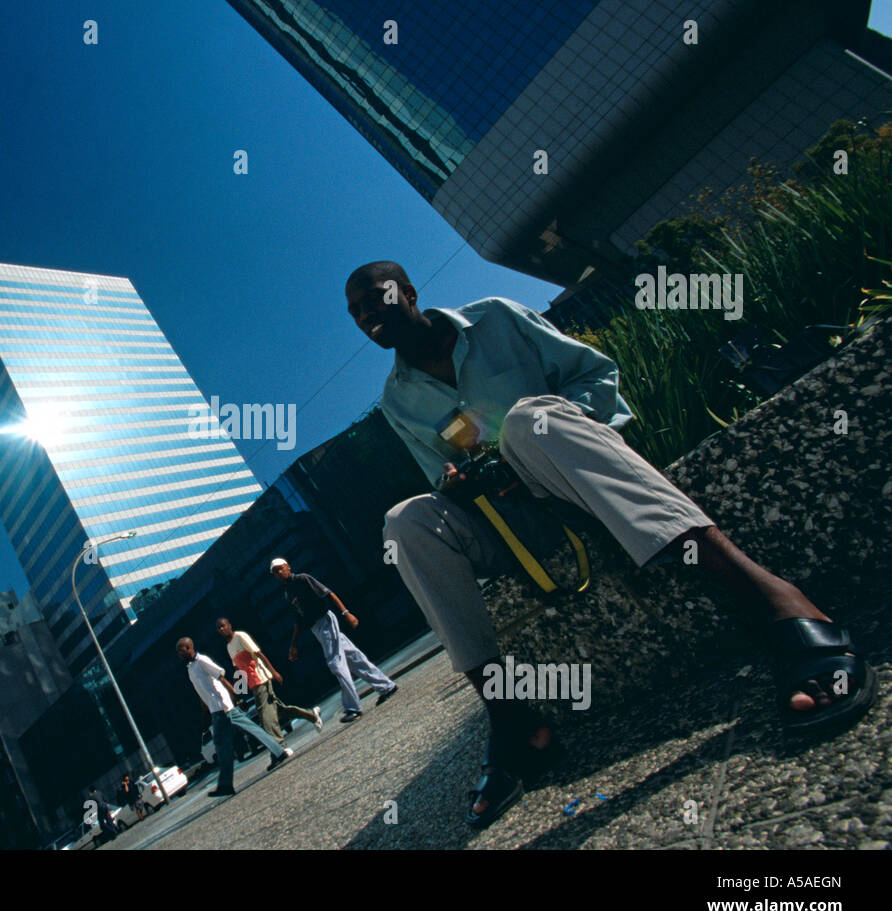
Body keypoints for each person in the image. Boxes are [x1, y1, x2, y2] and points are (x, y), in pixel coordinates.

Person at [344, 259, 878, 829]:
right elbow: (440, 475)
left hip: (577, 475)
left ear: (408, 290)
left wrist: (531, 435)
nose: (368, 316)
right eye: (356, 314)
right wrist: (459, 481)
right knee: (405, 523)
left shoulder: (495, 319)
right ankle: (515, 719)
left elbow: (597, 378)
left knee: (529, 421)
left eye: (374, 299)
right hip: (510, 521)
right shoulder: (396, 400)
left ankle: (774, 601)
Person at [271, 558, 399, 723]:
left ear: (288, 567)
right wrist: (293, 646)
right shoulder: (288, 594)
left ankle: (353, 708)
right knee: (354, 658)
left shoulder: (302, 579)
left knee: (336, 664)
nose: (279, 573)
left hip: (325, 621)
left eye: (280, 569)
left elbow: (328, 593)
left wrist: (346, 613)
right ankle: (386, 687)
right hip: (316, 628)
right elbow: (298, 621)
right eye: (275, 572)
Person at [177, 637, 292, 796]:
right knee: (231, 741)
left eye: (182, 650)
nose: (180, 654)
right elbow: (201, 694)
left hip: (224, 707)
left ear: (190, 647)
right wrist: (205, 715)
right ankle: (279, 752)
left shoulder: (202, 661)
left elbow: (221, 677)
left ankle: (278, 753)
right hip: (215, 710)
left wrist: (237, 698)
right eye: (178, 651)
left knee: (239, 736)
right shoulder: (190, 669)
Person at [217, 616, 323, 742]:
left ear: (230, 625)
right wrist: (238, 692)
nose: (222, 629)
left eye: (223, 625)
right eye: (219, 628)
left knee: (265, 716)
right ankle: (312, 716)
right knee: (280, 709)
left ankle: (278, 746)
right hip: (252, 684)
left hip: (260, 678)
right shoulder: (229, 647)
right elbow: (238, 670)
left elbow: (258, 654)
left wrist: (273, 672)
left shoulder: (241, 636)